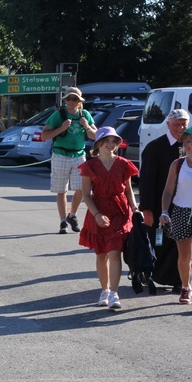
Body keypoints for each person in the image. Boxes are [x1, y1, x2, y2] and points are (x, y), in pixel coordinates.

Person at [78, 127, 139, 310]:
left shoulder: (123, 163)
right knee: (101, 254)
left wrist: (135, 208)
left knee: (114, 251)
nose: (111, 144)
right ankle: (104, 290)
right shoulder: (90, 166)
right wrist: (96, 214)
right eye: (107, 140)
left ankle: (114, 293)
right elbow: (86, 195)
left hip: (119, 211)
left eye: (114, 141)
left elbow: (128, 190)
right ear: (99, 143)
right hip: (98, 210)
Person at [140, 109, 190, 290]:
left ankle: (180, 282)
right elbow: (146, 180)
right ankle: (156, 275)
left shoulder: (189, 145)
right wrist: (146, 208)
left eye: (184, 123)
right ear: (168, 124)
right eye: (177, 123)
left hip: (185, 205)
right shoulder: (155, 147)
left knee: (182, 247)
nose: (181, 127)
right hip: (161, 206)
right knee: (162, 245)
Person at [40, 87, 97, 234]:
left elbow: (95, 136)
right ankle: (62, 221)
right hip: (60, 154)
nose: (71, 102)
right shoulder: (58, 115)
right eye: (68, 99)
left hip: (78, 155)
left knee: (81, 188)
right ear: (65, 101)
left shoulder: (85, 115)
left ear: (79, 102)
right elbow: (44, 135)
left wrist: (86, 125)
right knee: (61, 190)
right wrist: (62, 128)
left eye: (75, 99)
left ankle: (72, 215)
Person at [159, 126, 192, 303]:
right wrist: (164, 211)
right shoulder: (178, 164)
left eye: (191, 140)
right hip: (181, 211)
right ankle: (185, 288)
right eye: (186, 141)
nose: (188, 145)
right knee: (184, 256)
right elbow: (168, 191)